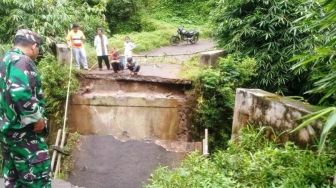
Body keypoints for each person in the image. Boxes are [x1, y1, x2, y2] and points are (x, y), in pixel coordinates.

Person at [0, 29, 51, 187]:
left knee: (14, 178)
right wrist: (37, 118)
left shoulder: (6, 59)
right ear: (34, 46)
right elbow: (20, 92)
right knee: (37, 178)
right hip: (25, 133)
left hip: (8, 131)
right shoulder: (22, 61)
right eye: (38, 48)